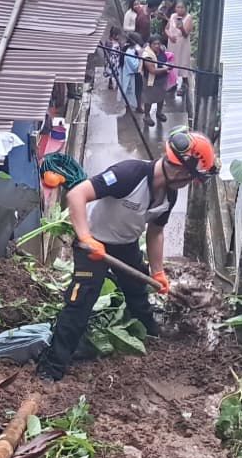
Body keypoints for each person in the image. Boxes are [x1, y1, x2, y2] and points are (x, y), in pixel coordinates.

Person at [36, 129, 220, 381]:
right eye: (190, 178)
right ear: (178, 171)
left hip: (126, 245)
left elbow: (155, 232)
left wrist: (157, 271)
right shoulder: (129, 174)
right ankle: (52, 368)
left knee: (138, 293)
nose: (189, 183)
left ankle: (150, 334)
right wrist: (86, 238)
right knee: (80, 303)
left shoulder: (169, 194)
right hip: (94, 245)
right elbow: (77, 194)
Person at [139, 35, 177, 126]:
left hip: (162, 80)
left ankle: (159, 113)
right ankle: (147, 116)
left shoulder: (161, 51)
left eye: (158, 44)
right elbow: (152, 70)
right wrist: (165, 69)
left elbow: (165, 59)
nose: (157, 46)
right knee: (149, 99)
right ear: (150, 44)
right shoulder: (147, 56)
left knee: (161, 97)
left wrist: (167, 65)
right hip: (151, 81)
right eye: (154, 44)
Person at [166, 0, 195, 100]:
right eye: (178, 7)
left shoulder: (189, 18)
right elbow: (166, 29)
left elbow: (186, 33)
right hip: (173, 43)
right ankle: (172, 83)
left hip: (182, 44)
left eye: (182, 7)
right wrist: (170, 36)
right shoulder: (173, 16)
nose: (179, 9)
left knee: (183, 64)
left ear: (186, 8)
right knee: (172, 63)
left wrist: (181, 27)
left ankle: (185, 84)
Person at [117, 31, 142, 112]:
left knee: (132, 93)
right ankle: (133, 107)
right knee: (132, 92)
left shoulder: (131, 48)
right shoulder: (129, 52)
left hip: (132, 74)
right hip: (131, 75)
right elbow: (135, 66)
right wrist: (140, 56)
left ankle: (131, 106)